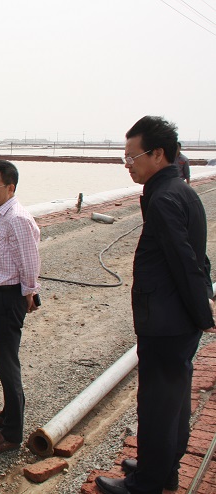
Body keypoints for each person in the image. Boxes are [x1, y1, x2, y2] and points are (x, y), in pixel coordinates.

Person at [95, 116, 215, 494]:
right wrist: (201, 308)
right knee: (174, 400)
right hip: (177, 318)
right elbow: (199, 257)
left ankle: (145, 483)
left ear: (158, 154)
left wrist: (204, 315)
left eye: (132, 157)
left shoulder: (163, 199)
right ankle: (163, 468)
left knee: (157, 404)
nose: (128, 164)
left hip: (165, 320)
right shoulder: (182, 191)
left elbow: (184, 261)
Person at [0, 159, 40, 455]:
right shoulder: (2, 215)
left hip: (6, 297)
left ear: (10, 187)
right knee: (4, 360)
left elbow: (30, 261)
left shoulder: (17, 218)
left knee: (7, 363)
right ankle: (8, 414)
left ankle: (12, 433)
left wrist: (29, 293)